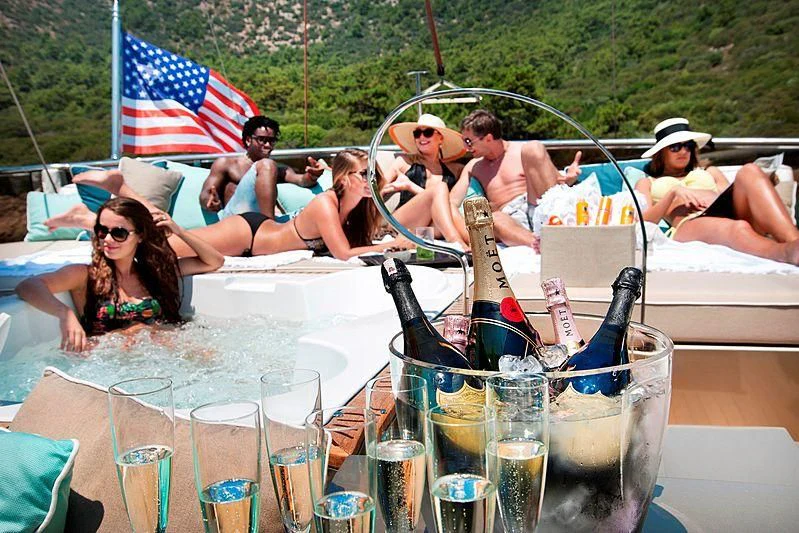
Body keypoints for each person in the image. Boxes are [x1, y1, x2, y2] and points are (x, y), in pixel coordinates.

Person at [17, 198, 224, 352]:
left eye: (119, 233)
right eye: (101, 231)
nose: (107, 239)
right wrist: (65, 314)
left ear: (140, 236)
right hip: (111, 362)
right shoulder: (85, 275)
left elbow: (214, 261)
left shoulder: (154, 273)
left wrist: (179, 231)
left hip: (161, 356)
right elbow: (28, 286)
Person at [635, 117, 799, 265]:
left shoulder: (710, 171)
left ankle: (795, 241)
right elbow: (643, 223)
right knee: (737, 228)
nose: (683, 151)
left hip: (726, 211)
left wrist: (764, 181)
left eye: (688, 146)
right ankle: (785, 254)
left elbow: (732, 195)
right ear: (660, 153)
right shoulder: (647, 182)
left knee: (750, 170)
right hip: (691, 223)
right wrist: (673, 193)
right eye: (675, 147)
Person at [459, 109, 582, 246]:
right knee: (493, 218)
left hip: (538, 206)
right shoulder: (474, 167)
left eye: (468, 141)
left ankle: (557, 225)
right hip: (510, 219)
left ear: (488, 138)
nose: (465, 148)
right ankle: (539, 244)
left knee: (533, 147)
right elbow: (452, 202)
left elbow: (555, 182)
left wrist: (570, 178)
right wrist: (460, 239)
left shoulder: (520, 151)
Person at [200, 115, 327, 219]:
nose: (267, 145)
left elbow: (301, 180)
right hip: (235, 221)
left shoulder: (276, 169)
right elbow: (205, 194)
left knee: (312, 216)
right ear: (249, 140)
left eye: (271, 141)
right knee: (267, 164)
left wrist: (312, 175)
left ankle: (268, 227)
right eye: (262, 139)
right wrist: (209, 203)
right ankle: (269, 228)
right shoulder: (227, 164)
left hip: (263, 220)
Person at [384, 113, 471, 248]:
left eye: (428, 133)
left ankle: (473, 243)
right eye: (417, 133)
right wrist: (394, 187)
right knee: (441, 189)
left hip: (431, 228)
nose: (422, 137)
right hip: (401, 222)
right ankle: (456, 242)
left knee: (450, 206)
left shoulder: (455, 170)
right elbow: (376, 190)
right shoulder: (403, 162)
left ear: (440, 138)